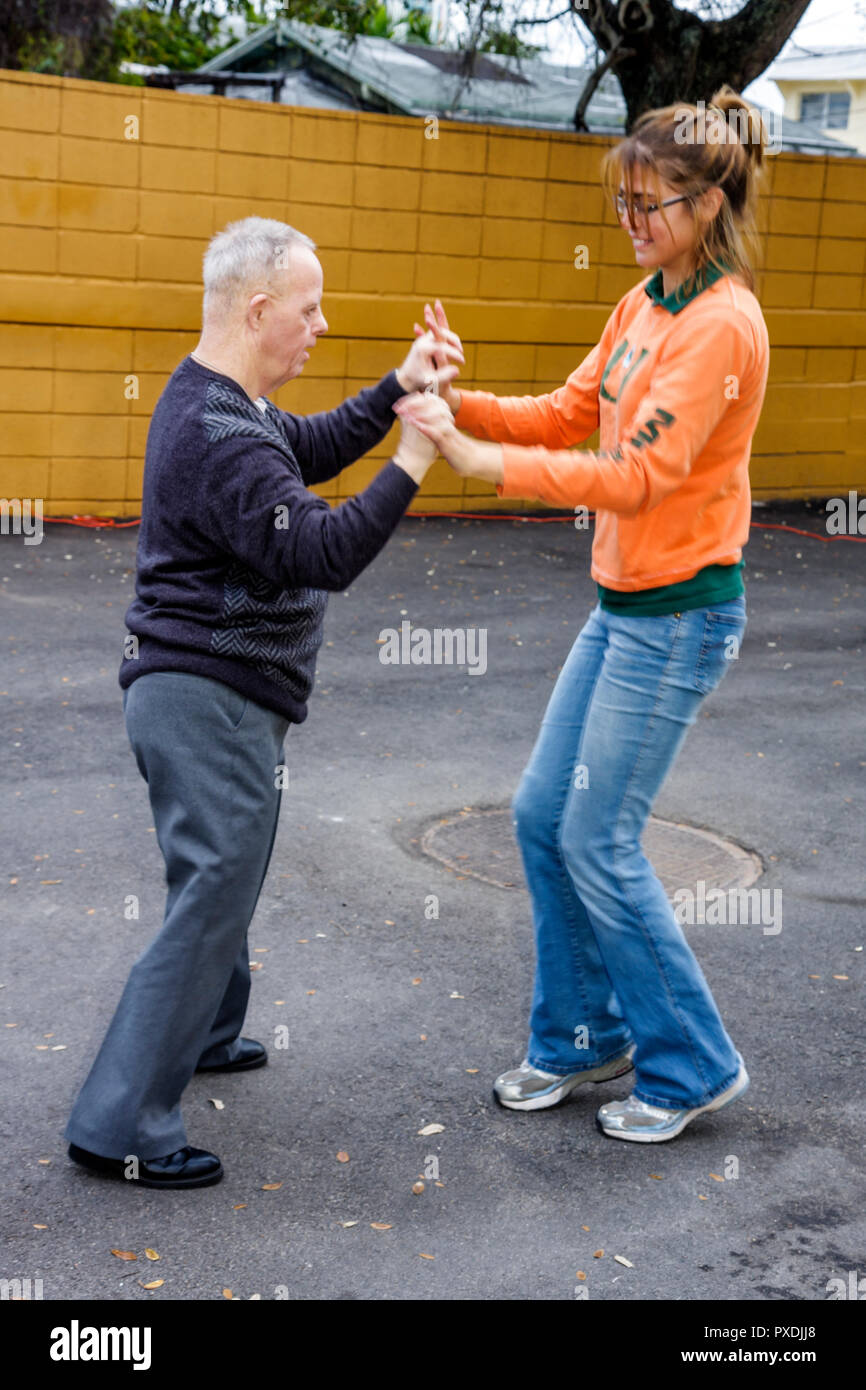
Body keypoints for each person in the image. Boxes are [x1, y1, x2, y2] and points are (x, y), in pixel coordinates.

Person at [396, 87, 770, 1143]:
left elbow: (639, 472)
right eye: (623, 204)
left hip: (677, 617)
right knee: (537, 817)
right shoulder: (643, 299)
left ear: (705, 203)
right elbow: (571, 411)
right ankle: (579, 1038)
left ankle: (689, 1062)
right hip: (621, 609)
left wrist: (481, 464)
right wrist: (458, 398)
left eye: (649, 204)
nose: (631, 221)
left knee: (597, 837)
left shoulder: (721, 324)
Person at [65, 217, 460, 1187]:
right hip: (207, 699)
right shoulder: (217, 431)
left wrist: (395, 388)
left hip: (204, 694)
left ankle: (207, 1032)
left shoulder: (220, 402)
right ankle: (121, 1125)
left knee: (219, 881)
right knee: (211, 892)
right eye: (309, 306)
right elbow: (317, 549)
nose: (321, 325)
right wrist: (411, 458)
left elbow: (310, 446)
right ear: (257, 309)